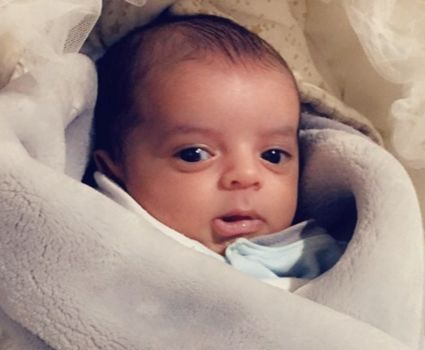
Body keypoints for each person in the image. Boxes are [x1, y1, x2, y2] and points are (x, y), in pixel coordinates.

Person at [91, 13, 344, 287]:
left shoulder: (317, 258)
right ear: (115, 169)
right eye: (194, 154)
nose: (246, 175)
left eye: (272, 156)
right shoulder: (100, 240)